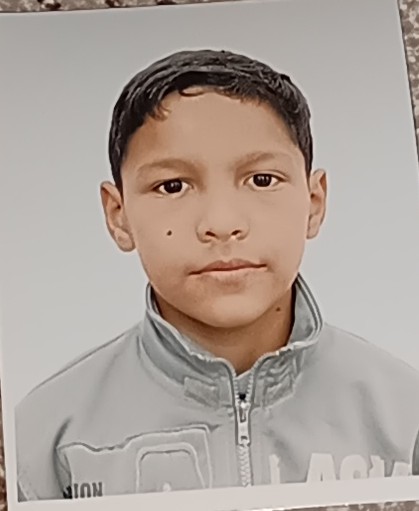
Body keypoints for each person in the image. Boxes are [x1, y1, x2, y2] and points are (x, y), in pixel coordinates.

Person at [15, 49, 419, 501]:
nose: (222, 223)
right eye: (173, 186)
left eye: (261, 180)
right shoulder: (45, 438)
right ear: (118, 214)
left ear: (314, 202)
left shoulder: (405, 416)